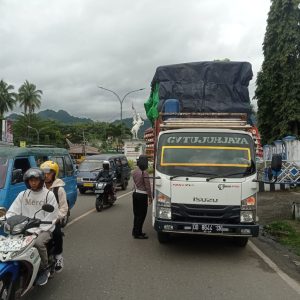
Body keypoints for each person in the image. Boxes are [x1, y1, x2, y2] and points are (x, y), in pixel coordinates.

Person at [6, 168, 58, 286]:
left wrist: (39, 230)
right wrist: (6, 219)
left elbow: (52, 215)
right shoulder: (23, 194)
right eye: (30, 180)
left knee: (38, 243)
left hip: (44, 229)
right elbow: (13, 211)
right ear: (27, 181)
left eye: (36, 180)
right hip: (24, 228)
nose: (33, 183)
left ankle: (45, 269)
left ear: (41, 180)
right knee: (9, 242)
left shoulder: (48, 195)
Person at [40, 160, 68, 273]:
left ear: (54, 173)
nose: (46, 176)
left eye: (49, 173)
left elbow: (64, 208)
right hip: (39, 219)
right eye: (44, 173)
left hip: (54, 220)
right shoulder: (38, 187)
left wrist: (56, 218)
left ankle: (58, 257)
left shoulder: (59, 189)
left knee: (57, 233)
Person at [132, 155, 152, 239]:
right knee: (142, 215)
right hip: (142, 195)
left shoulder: (135, 171)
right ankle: (138, 233)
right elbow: (147, 186)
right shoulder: (144, 172)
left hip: (135, 194)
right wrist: (150, 196)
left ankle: (135, 231)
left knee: (136, 214)